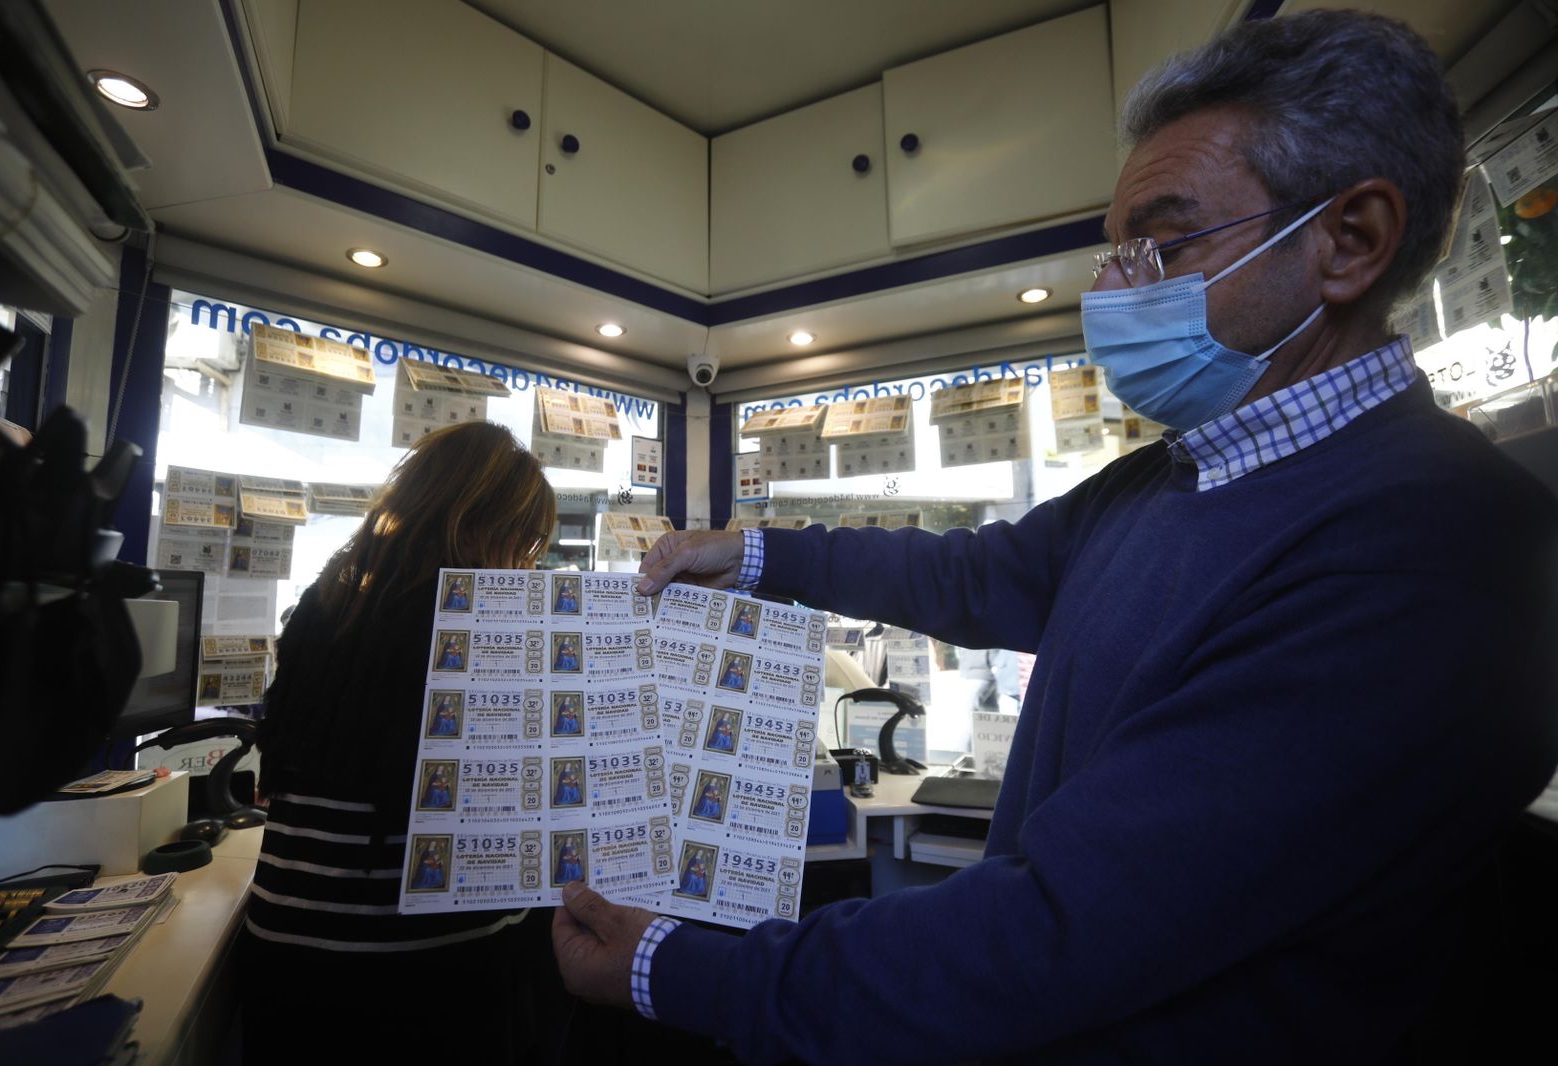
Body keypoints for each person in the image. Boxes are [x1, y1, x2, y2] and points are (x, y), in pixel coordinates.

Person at [551, 13, 1558, 1065]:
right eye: (1113, 252)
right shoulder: (1171, 478)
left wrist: (676, 968)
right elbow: (977, 571)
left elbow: (1054, 930)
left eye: (1161, 245)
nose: (1110, 292)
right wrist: (754, 554)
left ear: (1348, 240)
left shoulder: (1435, 543)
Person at [245, 422, 560, 1064]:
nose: (525, 563)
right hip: (424, 964)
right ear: (475, 525)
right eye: (519, 543)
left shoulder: (329, 600)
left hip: (286, 946)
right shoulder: (469, 629)